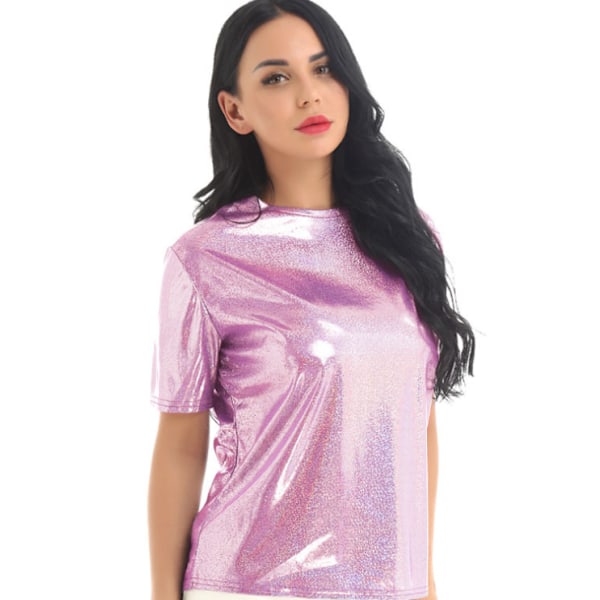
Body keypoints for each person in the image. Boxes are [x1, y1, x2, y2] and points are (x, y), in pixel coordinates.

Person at [147, 1, 475, 600]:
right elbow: (180, 447)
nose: (310, 94)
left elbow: (416, 417)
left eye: (323, 69)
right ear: (234, 110)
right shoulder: (206, 258)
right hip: (251, 585)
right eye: (277, 77)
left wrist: (424, 579)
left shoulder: (406, 237)